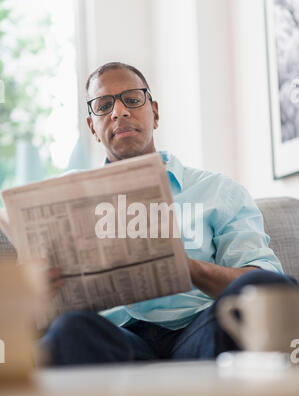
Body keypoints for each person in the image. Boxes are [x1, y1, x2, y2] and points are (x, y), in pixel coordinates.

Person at [40, 62, 297, 366]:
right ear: (92, 127)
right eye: (103, 105)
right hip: (115, 339)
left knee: (272, 287)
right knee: (68, 331)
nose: (119, 112)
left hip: (201, 331)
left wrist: (187, 268)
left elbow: (264, 280)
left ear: (155, 113)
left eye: (132, 99)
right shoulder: (68, 196)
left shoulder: (218, 191)